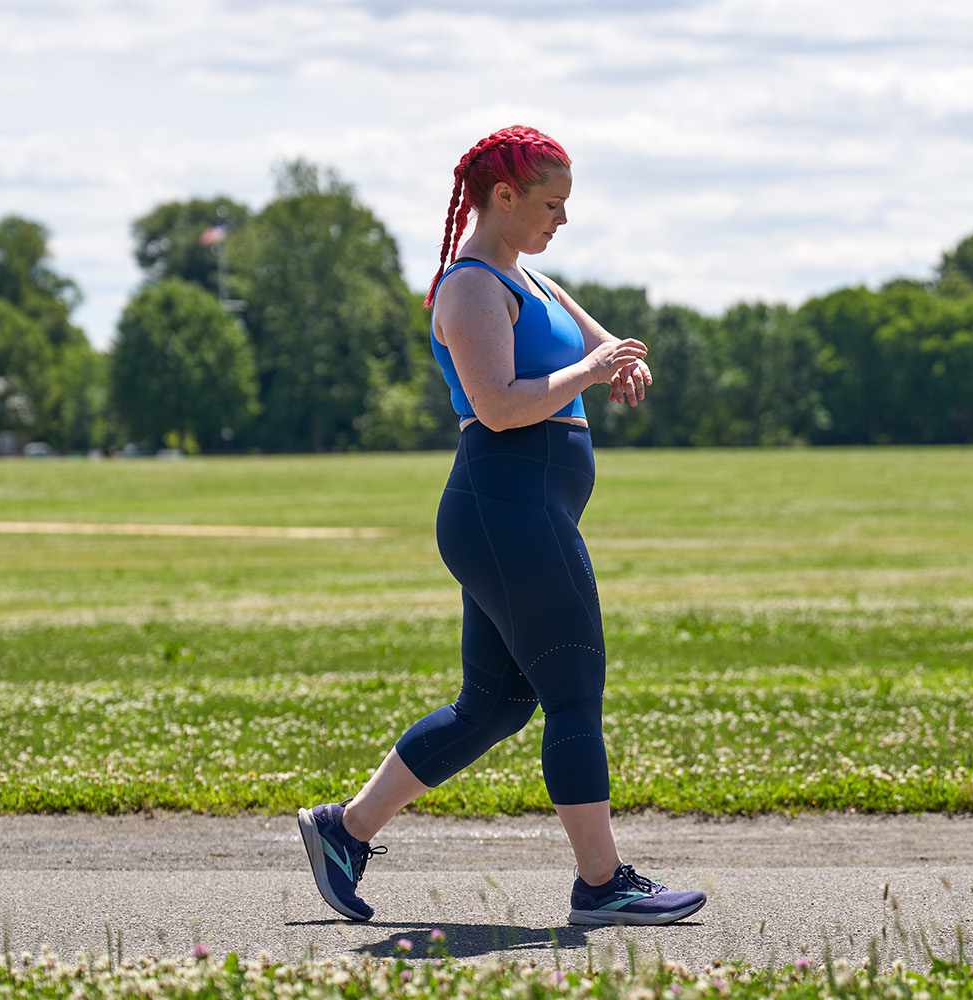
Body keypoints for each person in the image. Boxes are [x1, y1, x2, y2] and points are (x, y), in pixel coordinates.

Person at [298, 124, 706, 928]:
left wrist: (622, 362)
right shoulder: (473, 287)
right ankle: (603, 884)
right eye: (550, 204)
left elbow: (606, 348)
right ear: (504, 196)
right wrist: (592, 370)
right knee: (573, 687)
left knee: (494, 703)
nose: (561, 219)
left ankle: (342, 831)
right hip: (506, 506)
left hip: (521, 510)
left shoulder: (535, 282)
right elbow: (499, 404)